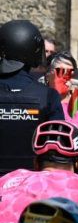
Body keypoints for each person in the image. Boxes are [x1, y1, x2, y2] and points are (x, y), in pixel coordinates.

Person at [0, 19, 66, 177]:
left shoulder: (48, 95)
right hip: (31, 182)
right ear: (33, 50)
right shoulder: (48, 96)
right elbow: (57, 145)